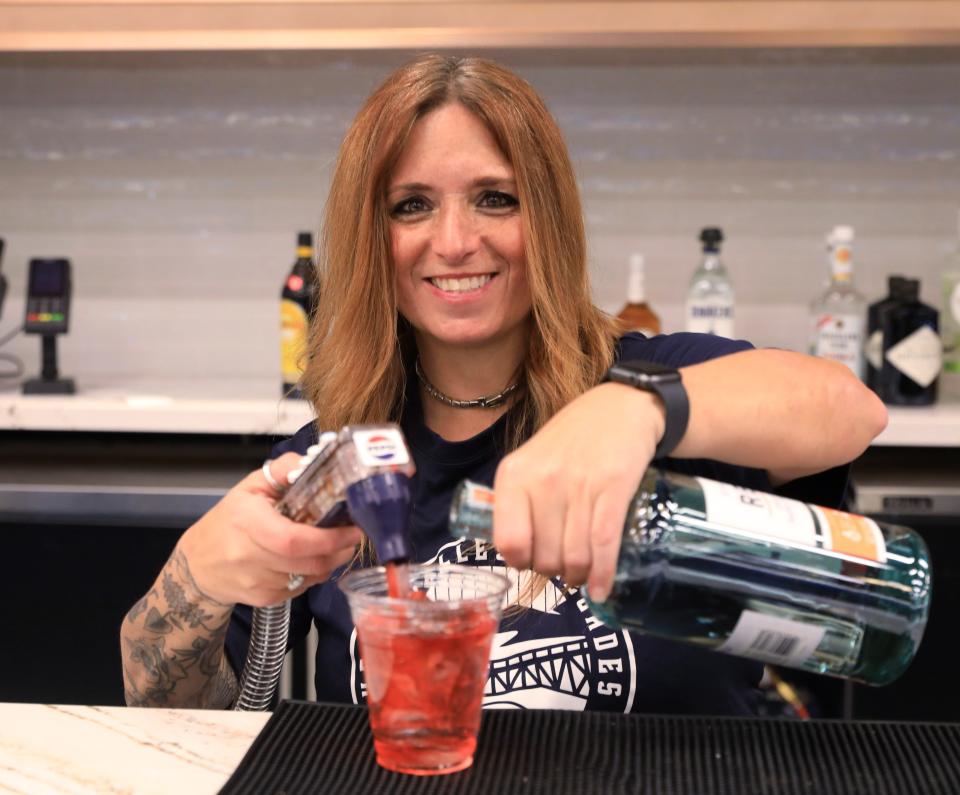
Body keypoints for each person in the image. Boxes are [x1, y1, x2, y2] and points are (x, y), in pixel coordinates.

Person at [120, 54, 887, 714]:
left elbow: (847, 409)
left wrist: (639, 409)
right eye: (411, 205)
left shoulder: (652, 384)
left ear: (548, 220)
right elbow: (166, 711)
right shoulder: (344, 465)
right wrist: (199, 569)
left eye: (495, 197)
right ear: (369, 239)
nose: (455, 242)